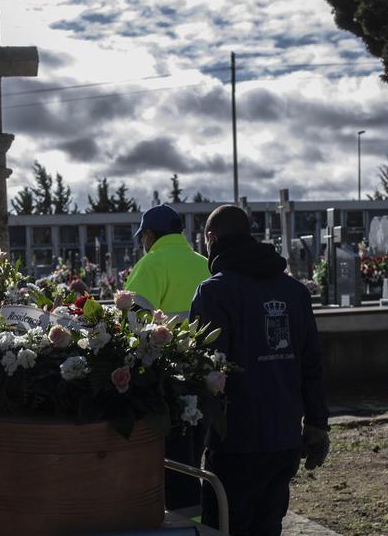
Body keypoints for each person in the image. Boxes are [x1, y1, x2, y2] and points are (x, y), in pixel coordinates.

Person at [190, 205, 330, 536]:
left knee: (223, 528)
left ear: (210, 238)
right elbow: (311, 362)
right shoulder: (294, 292)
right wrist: (316, 423)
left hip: (235, 443)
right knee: (268, 527)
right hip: (283, 439)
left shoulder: (214, 293)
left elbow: (207, 371)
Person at [123, 204, 212, 512]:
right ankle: (201, 523)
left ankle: (183, 525)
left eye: (143, 237)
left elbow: (132, 322)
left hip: (166, 379)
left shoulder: (150, 265)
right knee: (195, 456)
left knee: (173, 465)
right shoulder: (204, 262)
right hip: (206, 376)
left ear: (149, 235)